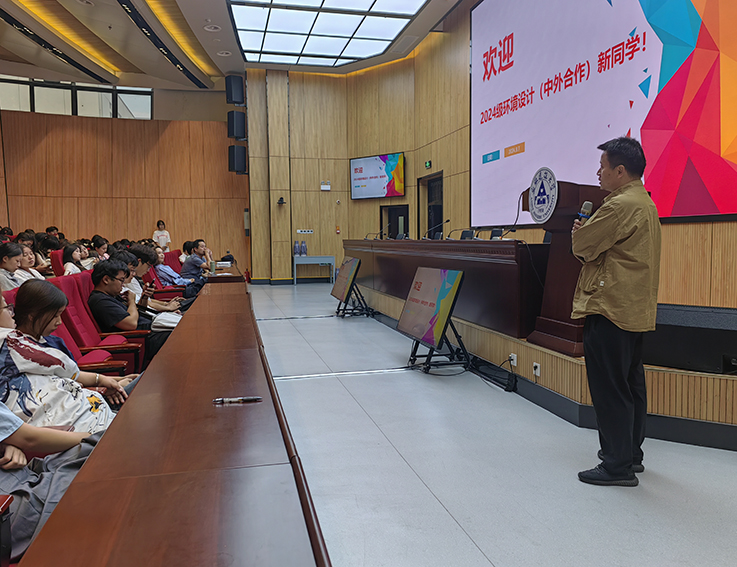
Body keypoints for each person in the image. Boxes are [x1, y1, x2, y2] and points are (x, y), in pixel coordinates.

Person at [571, 137, 661, 487]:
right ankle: (630, 454)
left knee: (609, 388)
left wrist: (580, 233)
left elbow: (583, 246)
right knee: (630, 384)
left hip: (609, 306)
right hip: (632, 308)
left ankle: (616, 466)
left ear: (620, 171)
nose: (599, 173)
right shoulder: (645, 202)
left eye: (603, 167)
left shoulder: (618, 206)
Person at [0, 281, 134, 433]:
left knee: (141, 383)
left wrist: (116, 380)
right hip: (81, 413)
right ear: (33, 316)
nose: (59, 322)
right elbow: (57, 390)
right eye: (55, 316)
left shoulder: (54, 342)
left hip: (89, 403)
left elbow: (74, 377)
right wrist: (103, 387)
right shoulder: (15, 354)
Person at [88, 260, 171, 360]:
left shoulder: (111, 295)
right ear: (106, 279)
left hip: (150, 330)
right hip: (141, 339)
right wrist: (131, 301)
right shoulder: (101, 301)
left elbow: (136, 312)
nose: (123, 284)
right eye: (121, 280)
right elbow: (131, 324)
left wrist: (144, 297)